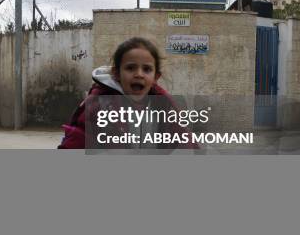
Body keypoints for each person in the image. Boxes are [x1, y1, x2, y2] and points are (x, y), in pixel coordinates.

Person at [58, 37, 196, 150]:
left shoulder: (164, 107)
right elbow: (77, 139)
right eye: (130, 68)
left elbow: (185, 141)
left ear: (156, 77)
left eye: (147, 69)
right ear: (117, 73)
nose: (139, 74)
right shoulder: (99, 105)